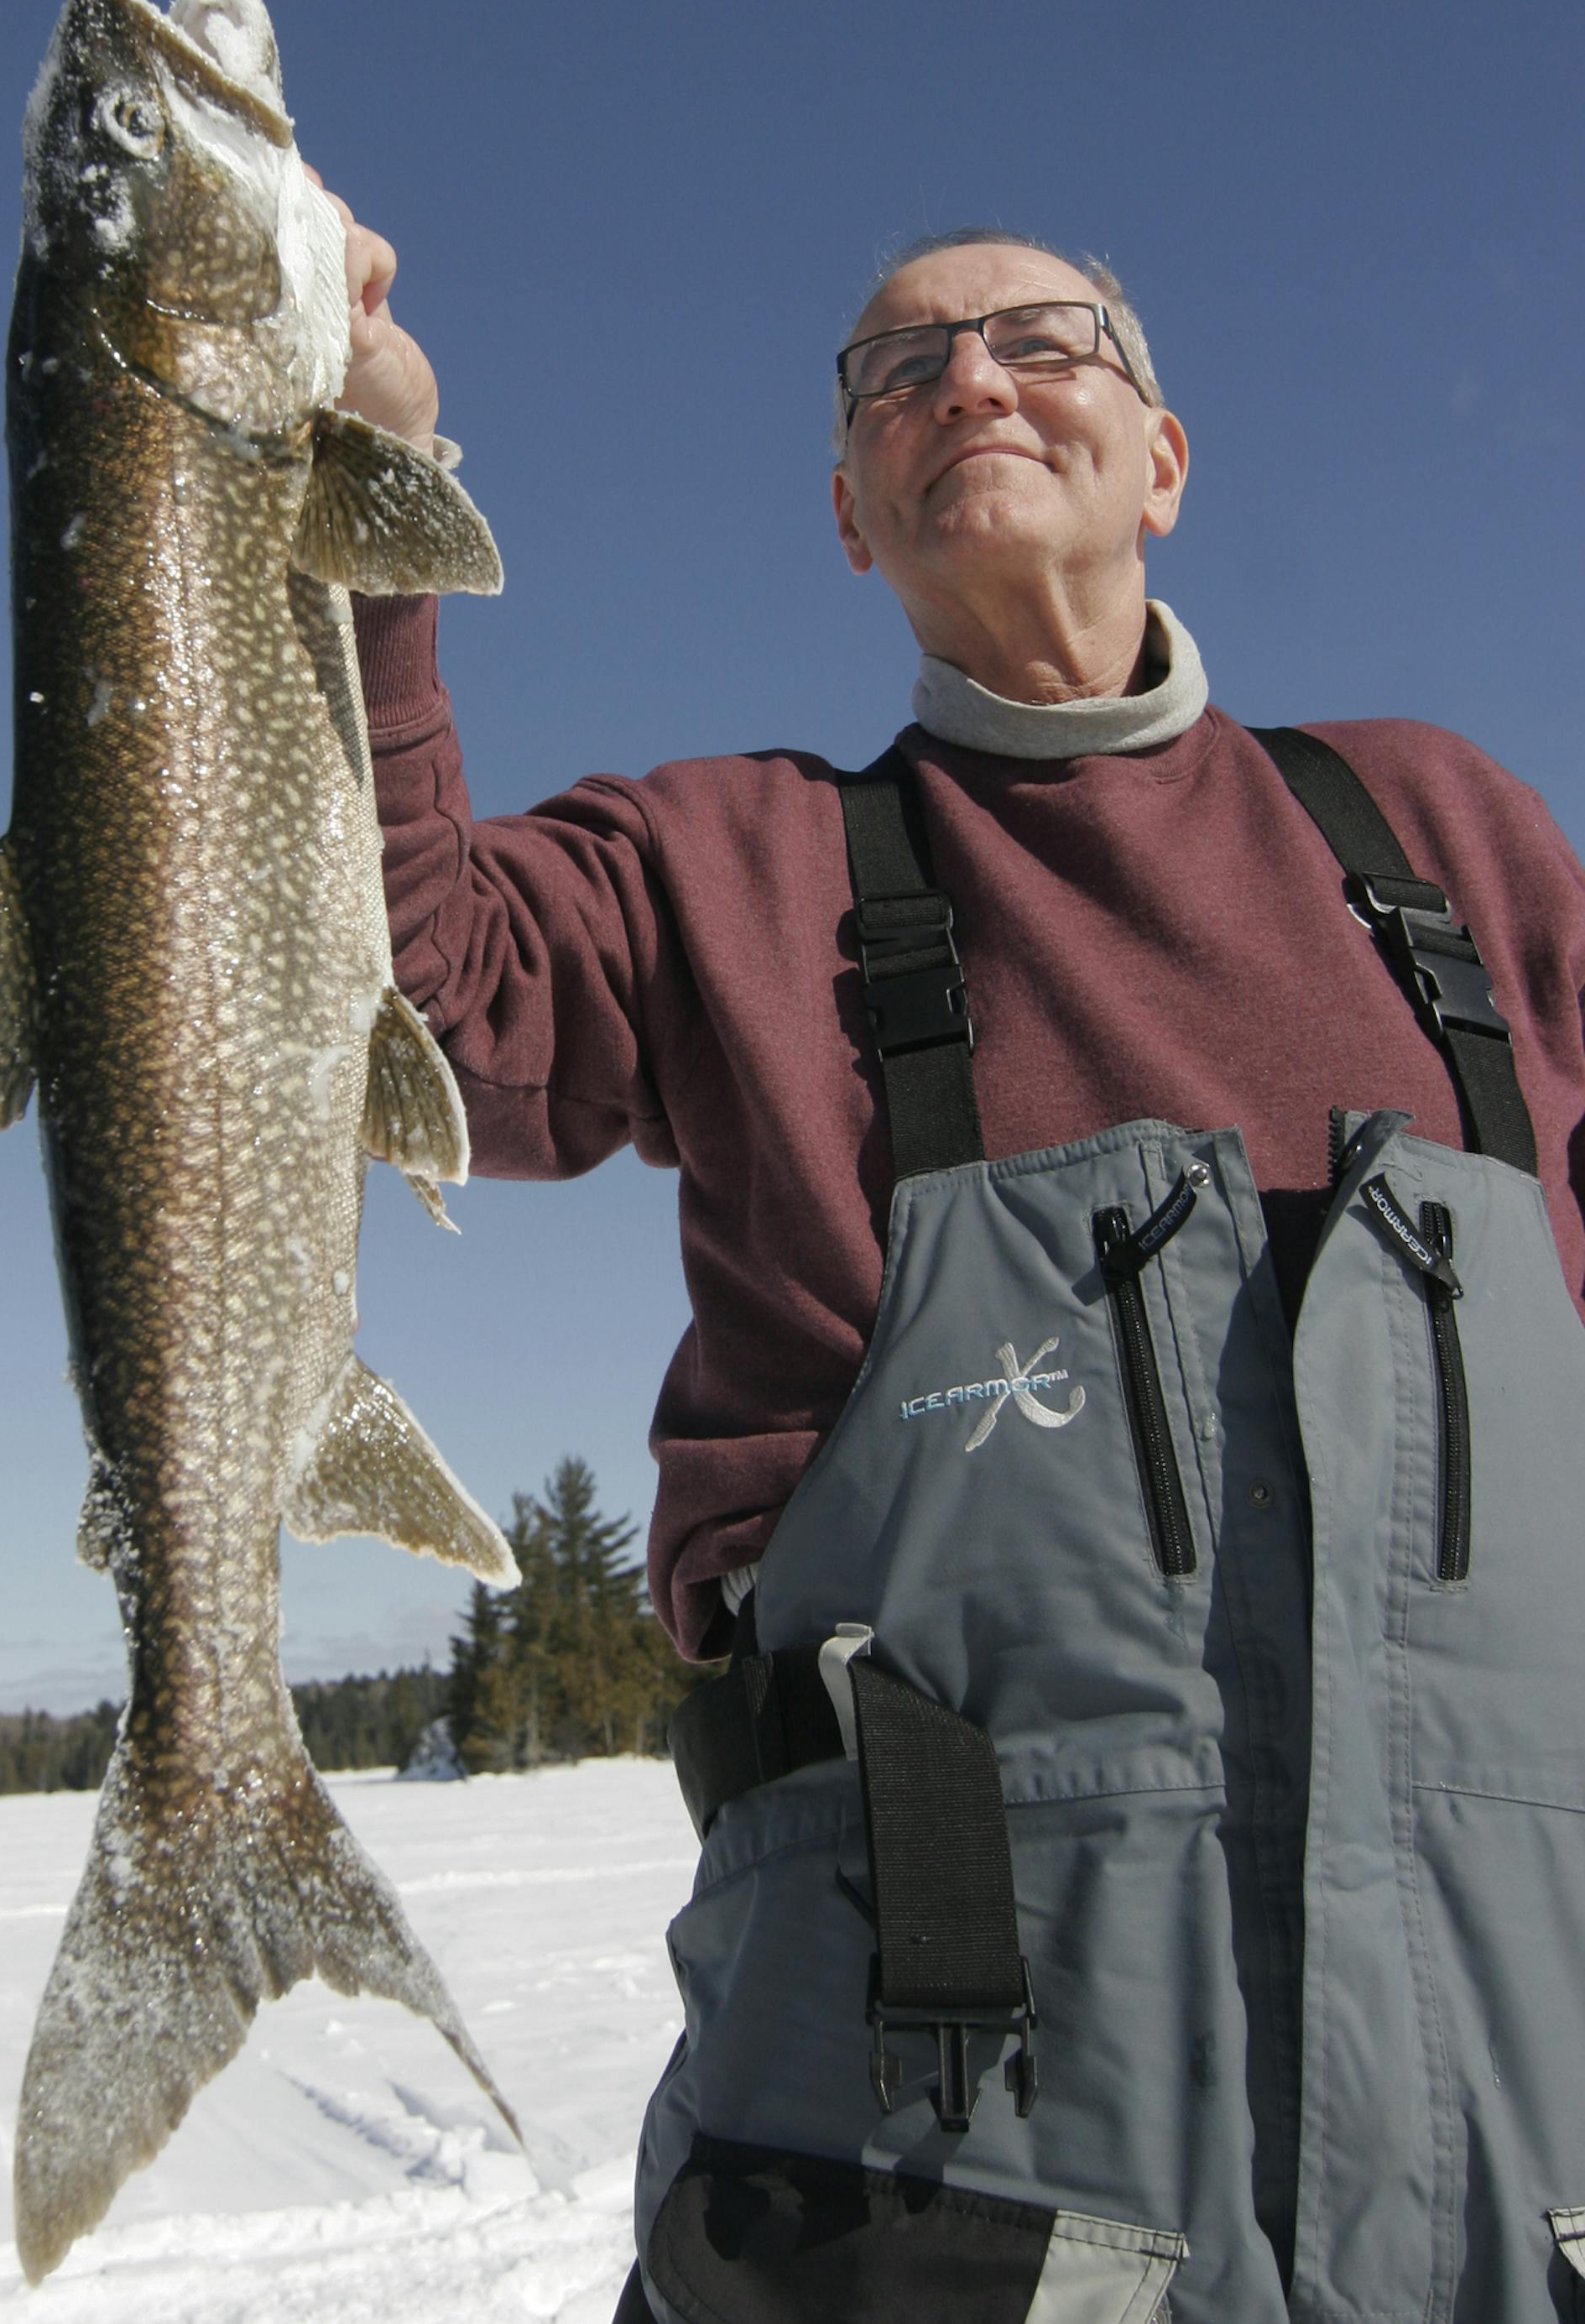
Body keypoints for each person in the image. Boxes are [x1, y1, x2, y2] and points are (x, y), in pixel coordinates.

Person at [323, 195, 1585, 2324]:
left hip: (1519, 2135)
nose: (970, 382)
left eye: (1040, 340)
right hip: (941, 2184)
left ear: (1166, 458)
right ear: (850, 515)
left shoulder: (1448, 838)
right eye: (899, 372)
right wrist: (356, 492)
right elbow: (409, 1008)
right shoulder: (733, 864)